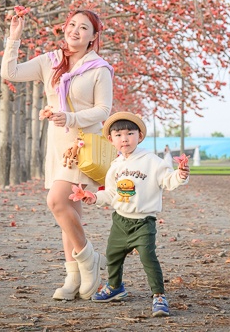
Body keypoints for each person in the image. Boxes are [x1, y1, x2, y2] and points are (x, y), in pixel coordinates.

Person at [1, 9, 114, 300]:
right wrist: (14, 38)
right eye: (72, 25)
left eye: (84, 28)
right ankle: (73, 277)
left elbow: (103, 110)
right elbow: (10, 73)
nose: (75, 31)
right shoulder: (50, 62)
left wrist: (70, 117)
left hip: (82, 144)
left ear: (93, 37)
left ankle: (89, 259)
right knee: (69, 213)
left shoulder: (99, 69)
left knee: (57, 201)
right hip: (56, 145)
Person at [77, 111, 189, 318]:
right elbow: (111, 193)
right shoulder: (115, 166)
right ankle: (115, 286)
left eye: (130, 133)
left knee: (148, 257)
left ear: (140, 136)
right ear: (111, 140)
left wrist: (180, 175)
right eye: (118, 135)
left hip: (144, 221)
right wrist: (94, 197)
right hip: (120, 221)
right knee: (112, 255)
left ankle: (159, 295)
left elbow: (167, 180)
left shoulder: (152, 161)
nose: (125, 139)